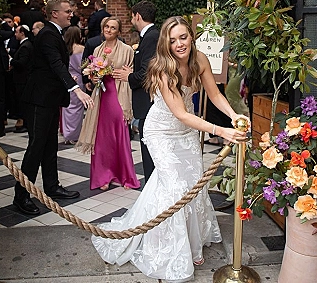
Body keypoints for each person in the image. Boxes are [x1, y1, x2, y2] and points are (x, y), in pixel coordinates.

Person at [92, 16, 248, 282]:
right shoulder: (163, 70)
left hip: (185, 133)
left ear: (191, 36)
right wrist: (222, 131)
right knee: (174, 188)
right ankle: (167, 246)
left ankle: (192, 242)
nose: (179, 44)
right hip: (162, 131)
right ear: (166, 42)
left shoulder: (200, 61)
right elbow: (181, 114)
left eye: (183, 37)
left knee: (193, 186)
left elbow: (215, 94)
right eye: (172, 39)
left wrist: (233, 116)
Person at [13, 0, 94, 216]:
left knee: (49, 146)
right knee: (36, 147)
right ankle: (21, 196)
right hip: (39, 99)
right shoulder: (48, 34)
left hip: (48, 99)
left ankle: (52, 186)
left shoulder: (54, 33)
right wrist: (75, 89)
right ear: (54, 13)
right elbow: (57, 65)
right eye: (67, 11)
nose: (71, 14)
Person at [76, 17, 140, 191]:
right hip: (101, 96)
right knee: (102, 138)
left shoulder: (127, 50)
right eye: (106, 27)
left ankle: (125, 176)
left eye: (113, 28)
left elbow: (132, 72)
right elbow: (92, 71)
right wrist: (93, 76)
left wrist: (119, 73)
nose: (109, 30)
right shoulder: (97, 49)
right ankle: (103, 176)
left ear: (118, 32)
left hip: (118, 95)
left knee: (119, 135)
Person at [112, 0, 158, 181]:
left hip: (148, 102)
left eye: (132, 16)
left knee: (149, 151)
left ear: (137, 16)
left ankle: (151, 189)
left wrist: (129, 77)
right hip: (146, 102)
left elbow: (148, 72)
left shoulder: (151, 37)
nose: (132, 20)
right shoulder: (149, 36)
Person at [61, 26, 85, 144]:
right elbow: (83, 66)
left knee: (67, 107)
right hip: (78, 79)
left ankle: (67, 133)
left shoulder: (64, 49)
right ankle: (74, 134)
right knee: (77, 108)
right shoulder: (81, 49)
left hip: (66, 79)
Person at [9, 24, 33, 133]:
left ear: (22, 33)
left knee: (23, 102)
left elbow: (22, 63)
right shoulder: (25, 45)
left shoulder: (25, 46)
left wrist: (11, 60)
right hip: (22, 79)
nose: (15, 34)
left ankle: (25, 123)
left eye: (17, 32)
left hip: (22, 79)